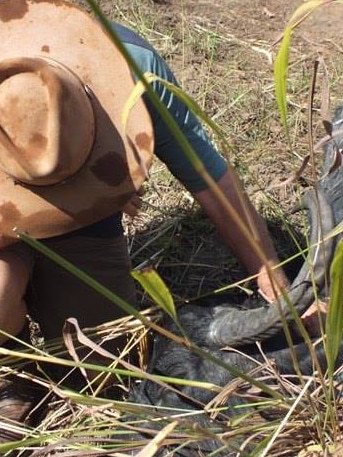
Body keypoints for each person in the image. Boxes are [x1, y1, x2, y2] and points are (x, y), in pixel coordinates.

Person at [0, 0, 293, 440]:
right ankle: (14, 369)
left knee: (104, 372)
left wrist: (272, 279)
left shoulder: (130, 63)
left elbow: (211, 181)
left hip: (83, 222)